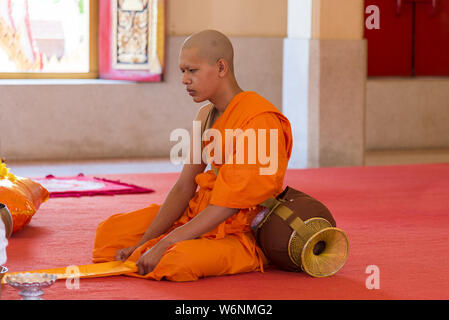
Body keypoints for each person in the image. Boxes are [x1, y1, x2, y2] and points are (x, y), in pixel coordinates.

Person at [92, 30, 293, 281]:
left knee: (175, 260)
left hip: (242, 230)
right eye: (182, 71)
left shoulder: (260, 120)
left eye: (192, 71)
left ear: (221, 67)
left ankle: (250, 256)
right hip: (201, 214)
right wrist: (144, 243)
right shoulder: (205, 115)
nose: (184, 80)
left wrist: (163, 244)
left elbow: (229, 205)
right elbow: (184, 186)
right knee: (109, 233)